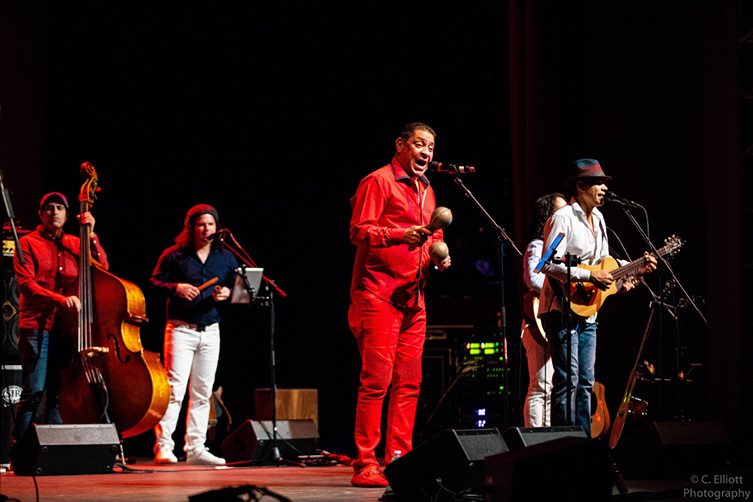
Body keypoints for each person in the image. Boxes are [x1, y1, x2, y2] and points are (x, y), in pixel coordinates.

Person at [348, 122, 452, 487]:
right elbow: (358, 230)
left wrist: (440, 253)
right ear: (400, 145)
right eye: (419, 144)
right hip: (378, 293)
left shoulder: (427, 189)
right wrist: (397, 235)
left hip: (413, 297)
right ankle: (366, 463)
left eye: (431, 147)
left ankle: (399, 461)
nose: (426, 152)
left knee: (409, 383)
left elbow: (434, 233)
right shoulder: (378, 181)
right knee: (376, 381)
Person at [538, 159, 656, 436]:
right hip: (561, 308)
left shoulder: (600, 219)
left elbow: (604, 264)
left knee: (586, 382)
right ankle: (562, 444)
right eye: (598, 183)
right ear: (580, 186)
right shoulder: (563, 218)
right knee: (567, 380)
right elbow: (546, 263)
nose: (604, 188)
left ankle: (582, 442)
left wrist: (633, 270)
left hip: (588, 310)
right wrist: (589, 277)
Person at [13, 192, 109, 437]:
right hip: (37, 326)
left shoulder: (76, 243)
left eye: (59, 208)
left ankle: (51, 449)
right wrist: (61, 299)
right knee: (34, 391)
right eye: (49, 208)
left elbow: (103, 269)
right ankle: (18, 446)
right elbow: (27, 286)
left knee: (57, 394)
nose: (54, 212)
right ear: (41, 214)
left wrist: (92, 235)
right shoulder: (27, 243)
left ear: (67, 215)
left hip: (66, 329)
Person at [149, 204, 238, 465]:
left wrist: (227, 293)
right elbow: (154, 282)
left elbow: (235, 284)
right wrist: (175, 287)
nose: (206, 229)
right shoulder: (175, 255)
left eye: (210, 224)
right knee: (174, 390)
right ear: (191, 228)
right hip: (180, 329)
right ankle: (164, 446)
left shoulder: (226, 257)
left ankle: (196, 448)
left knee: (203, 391)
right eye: (201, 224)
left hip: (210, 330)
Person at [521, 192, 567, 428]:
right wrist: (564, 283)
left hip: (555, 320)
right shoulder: (537, 246)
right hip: (537, 322)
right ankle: (535, 441)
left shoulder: (561, 249)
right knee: (540, 386)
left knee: (551, 386)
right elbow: (534, 279)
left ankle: (548, 438)